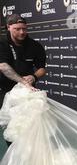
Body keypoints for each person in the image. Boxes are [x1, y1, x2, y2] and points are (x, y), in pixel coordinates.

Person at [0, 14, 46, 146]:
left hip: (28, 94)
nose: (22, 32)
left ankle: (30, 162)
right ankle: (14, 162)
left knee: (32, 132)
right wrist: (23, 81)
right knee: (13, 132)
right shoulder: (2, 44)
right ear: (8, 27)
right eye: (17, 29)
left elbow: (42, 68)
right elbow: (3, 66)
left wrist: (34, 76)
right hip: (7, 93)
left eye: (24, 29)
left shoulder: (35, 46)